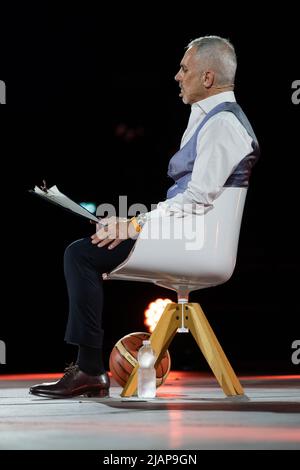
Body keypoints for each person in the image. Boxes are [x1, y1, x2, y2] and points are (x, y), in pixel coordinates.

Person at [30, 35, 259, 398]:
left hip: (198, 247)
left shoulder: (222, 124)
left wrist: (134, 225)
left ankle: (90, 370)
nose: (177, 76)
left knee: (81, 254)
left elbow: (197, 199)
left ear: (208, 77)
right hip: (185, 237)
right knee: (91, 245)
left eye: (184, 69)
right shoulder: (208, 119)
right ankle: (89, 370)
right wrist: (128, 225)